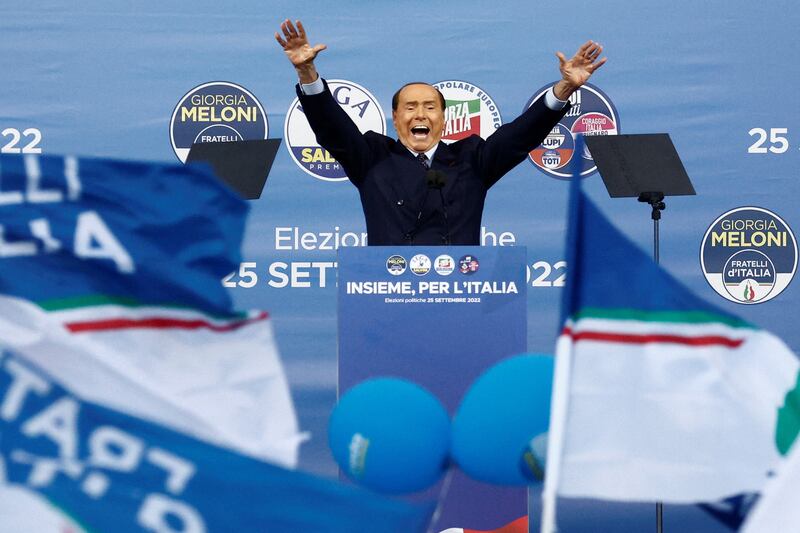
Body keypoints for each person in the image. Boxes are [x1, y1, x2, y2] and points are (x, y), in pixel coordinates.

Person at [275, 19, 606, 245]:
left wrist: (563, 89)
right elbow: (333, 129)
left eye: (430, 106)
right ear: (395, 118)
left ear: (444, 119)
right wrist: (307, 73)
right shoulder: (373, 157)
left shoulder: (472, 158)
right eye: (410, 106)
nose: (420, 114)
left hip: (460, 297)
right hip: (385, 299)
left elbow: (520, 136)